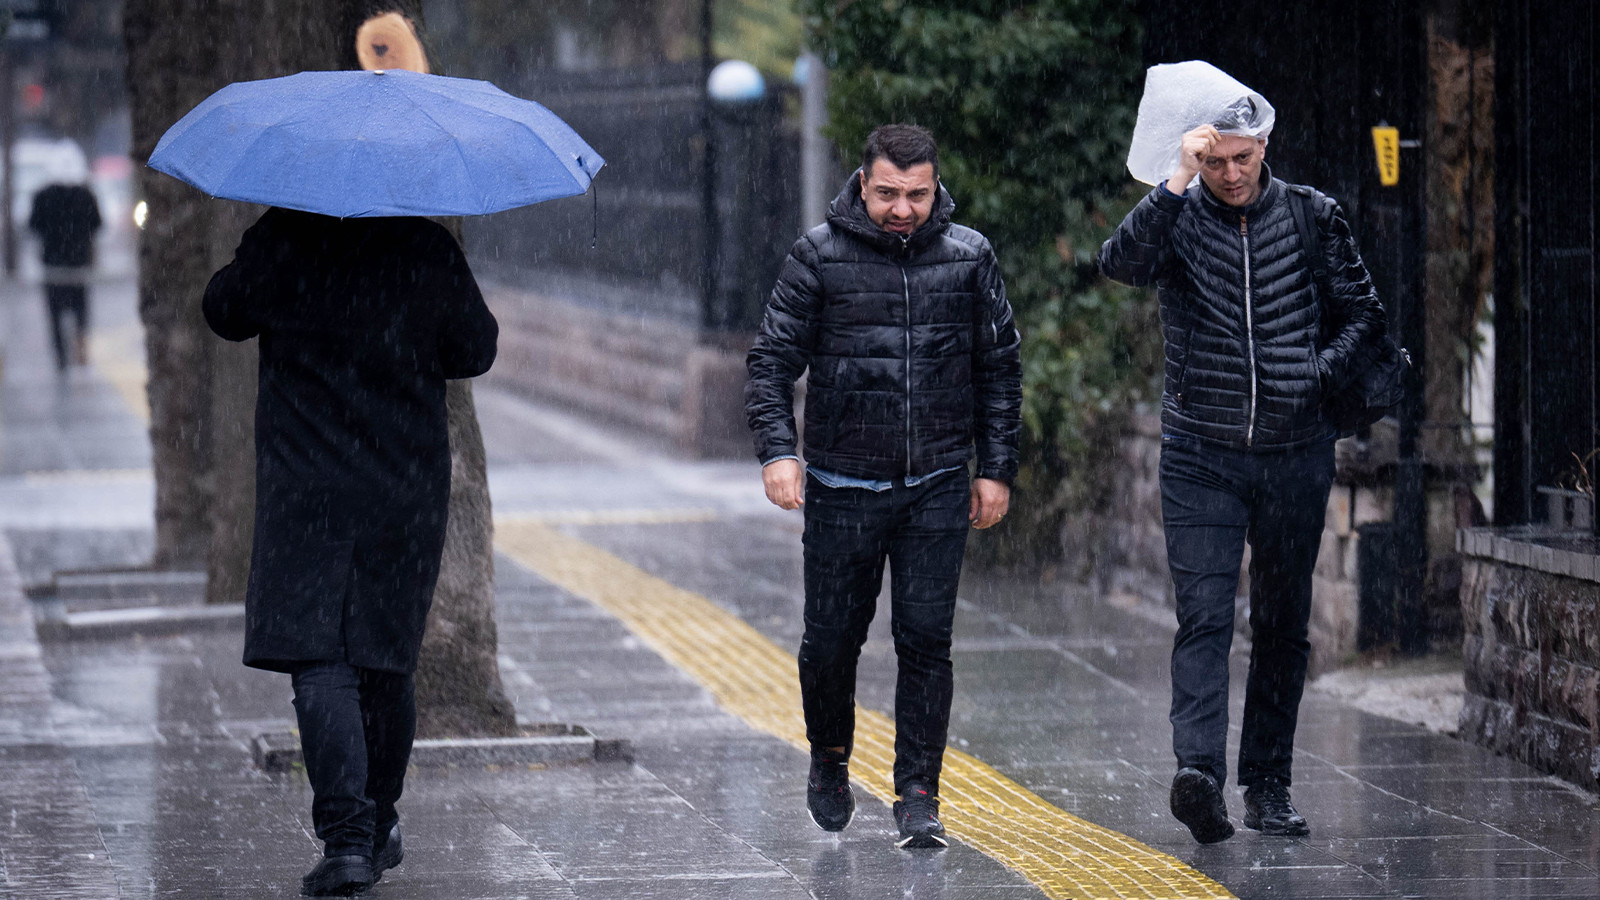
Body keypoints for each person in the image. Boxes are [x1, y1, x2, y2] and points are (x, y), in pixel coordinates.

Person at [1098, 95, 1386, 843]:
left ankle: (1267, 785)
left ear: (1265, 146)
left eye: (1241, 158)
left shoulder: (1313, 215)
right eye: (1213, 159)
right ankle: (1199, 774)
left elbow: (1366, 317)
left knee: (1284, 623)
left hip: (1296, 451)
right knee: (1204, 613)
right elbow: (1118, 263)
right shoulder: (1179, 214)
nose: (1228, 173)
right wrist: (1172, 181)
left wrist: (1313, 376)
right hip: (1202, 452)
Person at [203, 208, 497, 895]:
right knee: (384, 659)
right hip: (403, 484)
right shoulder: (425, 245)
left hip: (306, 485)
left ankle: (347, 840)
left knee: (319, 657)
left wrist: (264, 261)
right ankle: (378, 819)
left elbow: (223, 310)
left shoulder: (285, 236)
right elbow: (475, 349)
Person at [745, 124, 1022, 849]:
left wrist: (995, 468)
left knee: (927, 639)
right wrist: (779, 452)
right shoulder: (818, 256)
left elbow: (1000, 371)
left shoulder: (969, 257)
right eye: (889, 194)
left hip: (935, 482)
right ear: (862, 184)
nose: (903, 210)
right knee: (831, 643)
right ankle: (831, 758)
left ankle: (919, 793)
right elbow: (771, 360)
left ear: (937, 189)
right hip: (840, 483)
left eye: (918, 195)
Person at [28, 182, 102, 372]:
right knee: (80, 308)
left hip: (53, 265)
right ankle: (80, 346)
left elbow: (33, 225)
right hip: (78, 262)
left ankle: (61, 356)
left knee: (54, 312)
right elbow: (97, 223)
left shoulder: (43, 196)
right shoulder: (85, 195)